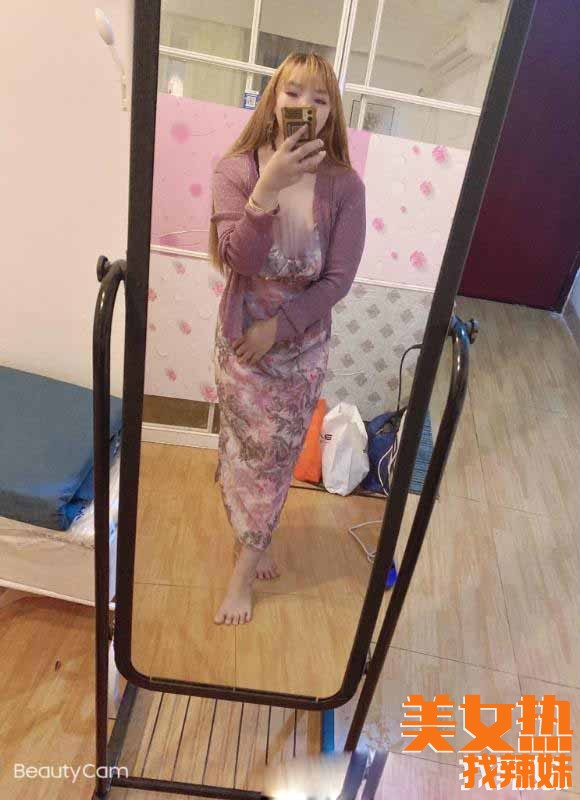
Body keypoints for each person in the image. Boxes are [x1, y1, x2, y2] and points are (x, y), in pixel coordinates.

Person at [208, 51, 366, 625]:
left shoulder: (345, 187)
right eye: (294, 92)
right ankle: (252, 535)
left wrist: (280, 327)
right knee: (238, 451)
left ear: (332, 113)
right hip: (240, 349)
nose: (306, 106)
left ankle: (245, 570)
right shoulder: (236, 170)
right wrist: (268, 188)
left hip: (298, 353)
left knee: (274, 462)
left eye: (320, 99)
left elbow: (337, 280)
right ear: (274, 100)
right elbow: (239, 260)